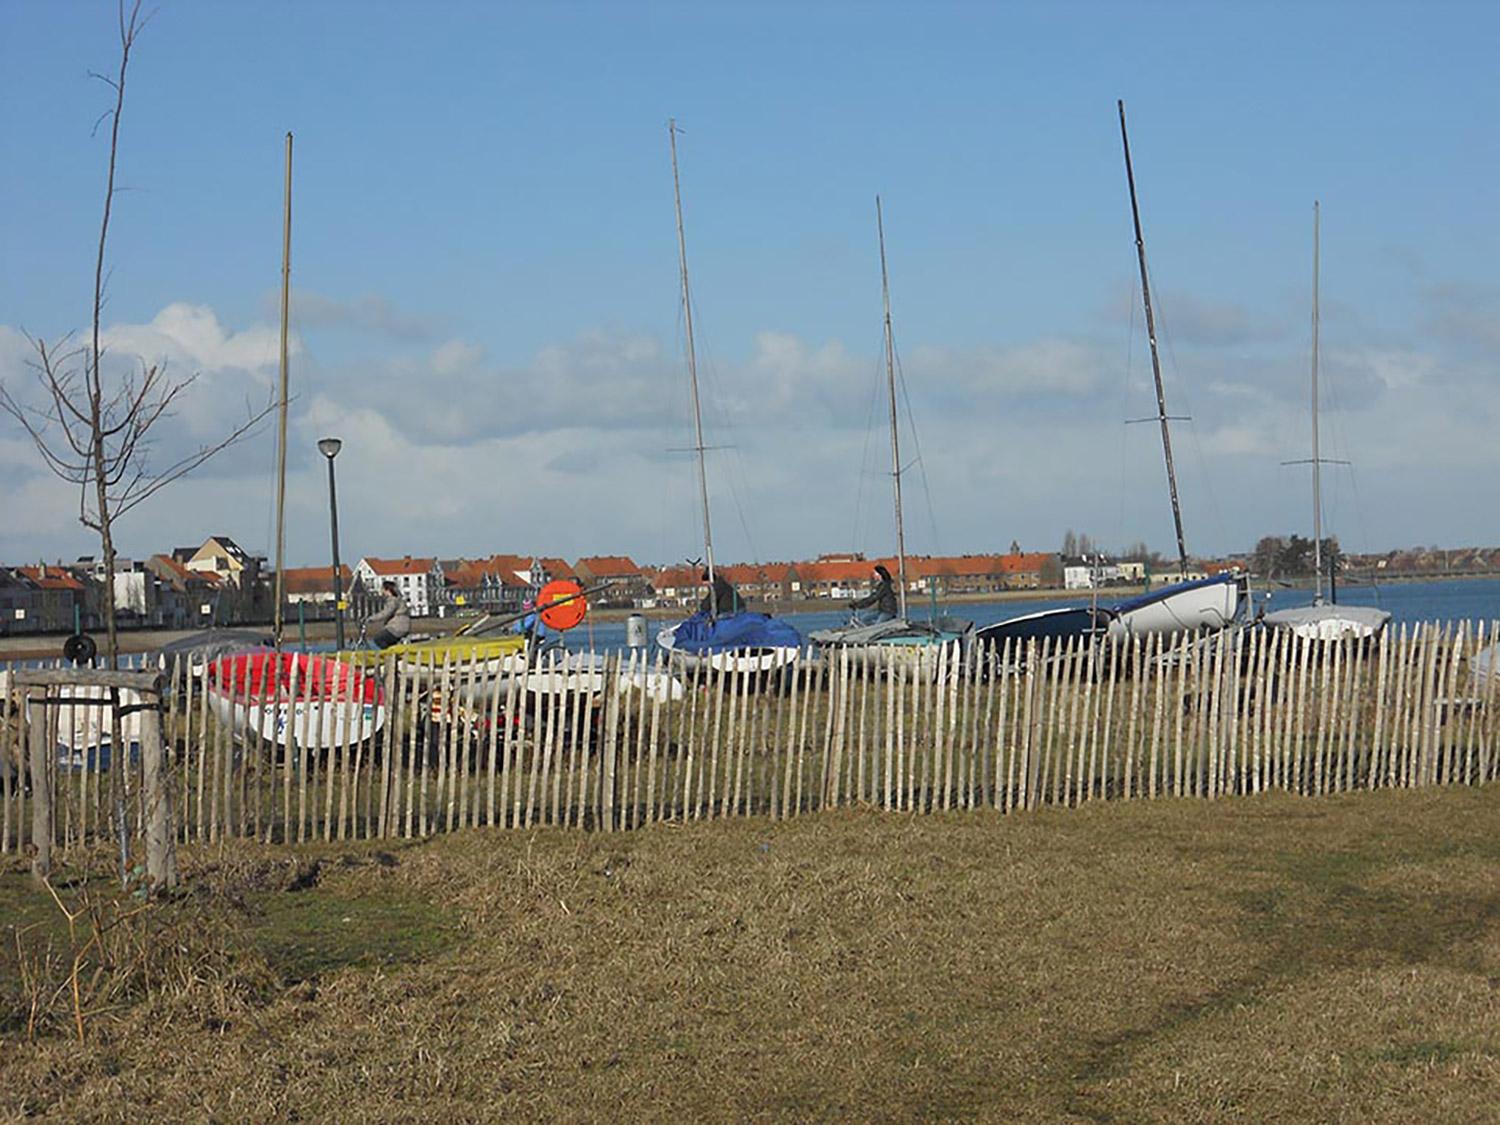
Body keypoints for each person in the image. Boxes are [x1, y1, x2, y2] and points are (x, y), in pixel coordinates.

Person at [363, 580, 411, 648]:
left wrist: (370, 619)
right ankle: (394, 654)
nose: (382, 591)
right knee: (388, 642)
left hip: (397, 628)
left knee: (378, 639)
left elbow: (386, 613)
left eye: (382, 589)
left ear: (387, 590)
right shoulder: (398, 599)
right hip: (402, 627)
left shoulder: (392, 600)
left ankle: (388, 656)